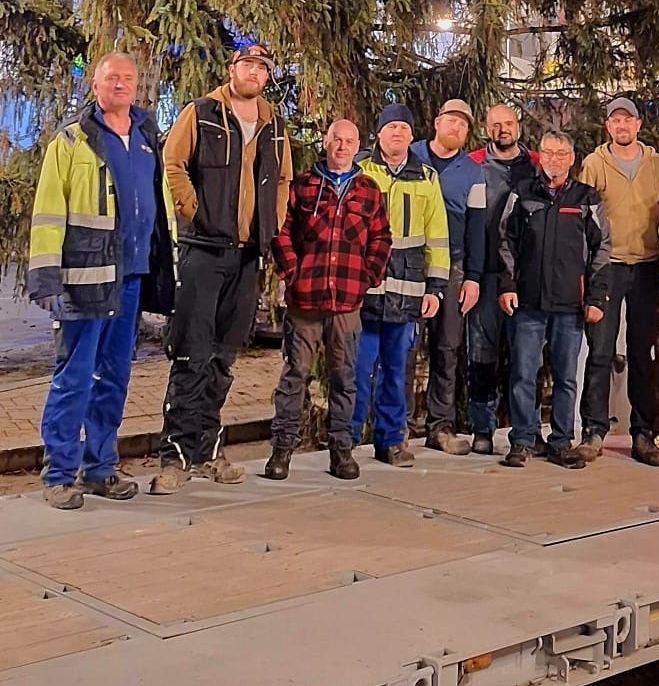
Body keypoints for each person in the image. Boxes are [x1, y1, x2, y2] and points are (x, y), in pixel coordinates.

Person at [29, 52, 177, 509]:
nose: (121, 85)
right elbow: (49, 212)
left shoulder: (148, 137)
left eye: (128, 79)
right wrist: (47, 280)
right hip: (82, 281)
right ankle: (58, 474)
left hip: (129, 280)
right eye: (112, 78)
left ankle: (99, 469)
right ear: (95, 86)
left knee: (114, 378)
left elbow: (159, 207)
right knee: (73, 378)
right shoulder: (72, 142)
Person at [153, 41, 291, 492]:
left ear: (267, 77)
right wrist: (195, 211)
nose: (254, 72)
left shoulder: (274, 126)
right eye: (247, 64)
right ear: (232, 69)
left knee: (223, 357)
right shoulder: (202, 113)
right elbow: (172, 163)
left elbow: (283, 179)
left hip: (247, 255)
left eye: (262, 67)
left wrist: (274, 222)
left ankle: (207, 452)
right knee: (191, 352)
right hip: (203, 251)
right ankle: (174, 458)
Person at [265, 118, 392, 480]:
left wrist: (366, 278)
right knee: (294, 377)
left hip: (347, 303)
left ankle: (341, 451)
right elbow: (282, 229)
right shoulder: (304, 186)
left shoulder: (368, 190)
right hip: (305, 301)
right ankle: (282, 451)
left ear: (357, 146)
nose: (342, 146)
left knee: (345, 378)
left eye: (349, 141)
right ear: (326, 141)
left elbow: (382, 237)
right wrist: (293, 271)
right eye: (336, 139)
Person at [498, 130, 610, 469]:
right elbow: (505, 242)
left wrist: (596, 297)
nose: (554, 160)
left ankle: (561, 441)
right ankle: (522, 439)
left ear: (572, 158)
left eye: (562, 154)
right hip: (528, 303)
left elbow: (602, 250)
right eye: (548, 153)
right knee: (523, 374)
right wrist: (507, 285)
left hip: (569, 306)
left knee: (566, 377)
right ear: (540, 156)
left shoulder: (587, 199)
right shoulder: (522, 195)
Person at [577, 95, 659, 466]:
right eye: (615, 121)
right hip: (608, 267)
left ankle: (644, 434)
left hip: (647, 268)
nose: (622, 126)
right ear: (608, 127)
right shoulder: (593, 165)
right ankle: (593, 431)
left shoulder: (658, 165)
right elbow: (584, 220)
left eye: (628, 120)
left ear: (638, 125)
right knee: (600, 352)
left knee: (642, 354)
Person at [354, 105, 450, 465]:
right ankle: (345, 442)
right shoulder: (360, 171)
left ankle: (391, 441)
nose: (397, 133)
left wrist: (436, 288)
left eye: (403, 128)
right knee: (357, 370)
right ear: (378, 134)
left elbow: (438, 237)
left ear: (412, 136)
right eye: (390, 127)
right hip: (364, 290)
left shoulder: (426, 177)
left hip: (408, 289)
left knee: (397, 372)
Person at [410, 99, 486, 453]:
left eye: (463, 125)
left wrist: (473, 276)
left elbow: (477, 227)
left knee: (447, 348)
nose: (456, 128)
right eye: (451, 121)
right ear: (437, 122)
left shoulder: (473, 171)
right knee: (403, 350)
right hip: (407, 267)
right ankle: (396, 428)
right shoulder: (409, 155)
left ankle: (440, 426)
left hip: (452, 267)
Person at [467, 103, 537, 454]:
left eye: (508, 123)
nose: (503, 130)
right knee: (481, 355)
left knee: (525, 358)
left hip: (527, 278)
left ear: (518, 126)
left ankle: (527, 431)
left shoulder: (537, 165)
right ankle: (482, 427)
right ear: (486, 127)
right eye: (496, 124)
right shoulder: (474, 164)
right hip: (485, 273)